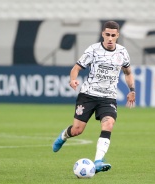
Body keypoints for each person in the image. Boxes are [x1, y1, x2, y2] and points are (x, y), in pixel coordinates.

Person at [52, 20, 136, 173]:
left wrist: (132, 89)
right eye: (107, 35)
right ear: (102, 34)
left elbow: (128, 72)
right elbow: (76, 68)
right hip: (88, 95)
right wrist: (73, 79)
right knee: (77, 130)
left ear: (117, 35)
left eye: (113, 35)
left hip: (108, 98)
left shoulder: (122, 52)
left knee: (108, 124)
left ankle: (98, 161)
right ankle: (63, 136)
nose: (110, 38)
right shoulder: (93, 50)